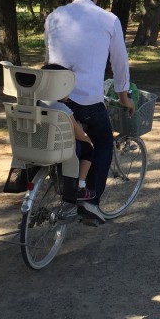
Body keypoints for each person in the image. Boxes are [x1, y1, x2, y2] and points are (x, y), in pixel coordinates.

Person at [45, 0, 134, 222]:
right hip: (87, 100)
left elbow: (50, 58)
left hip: (55, 97)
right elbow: (120, 62)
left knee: (70, 141)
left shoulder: (53, 17)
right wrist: (124, 96)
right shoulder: (109, 20)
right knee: (104, 141)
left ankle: (66, 186)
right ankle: (92, 202)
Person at [40, 63, 102, 223]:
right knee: (88, 149)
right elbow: (79, 134)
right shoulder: (63, 108)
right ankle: (80, 185)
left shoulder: (37, 103)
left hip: (40, 145)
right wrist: (88, 138)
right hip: (61, 149)